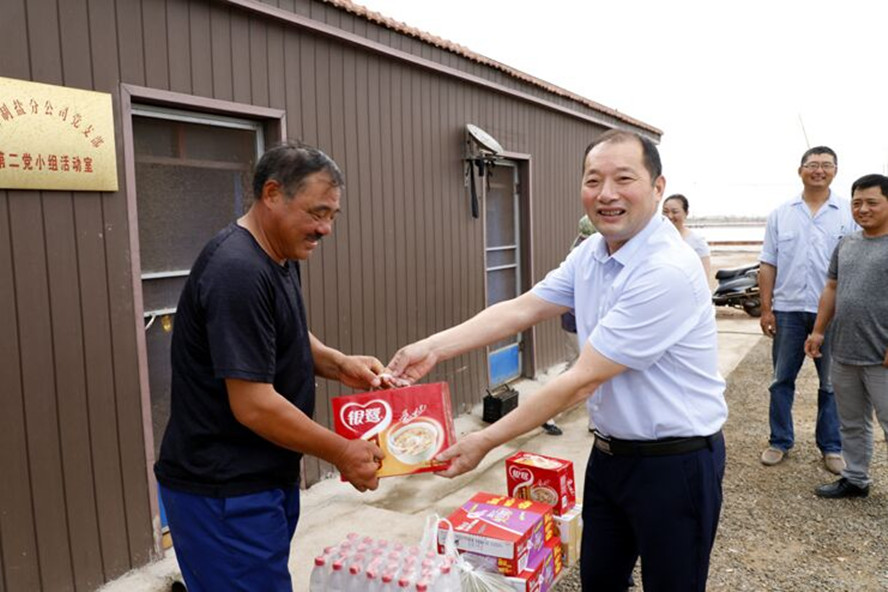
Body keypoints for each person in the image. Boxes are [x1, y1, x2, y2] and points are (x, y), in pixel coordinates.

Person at [387, 130, 727, 591]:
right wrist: (431, 348)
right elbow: (522, 309)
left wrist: (485, 440)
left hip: (675, 463)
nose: (606, 194)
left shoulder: (666, 269)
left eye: (623, 179)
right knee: (599, 580)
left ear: (657, 187)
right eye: (593, 180)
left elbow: (580, 381)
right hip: (609, 455)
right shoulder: (592, 253)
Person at [154, 142, 388, 592]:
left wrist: (338, 363)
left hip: (260, 480)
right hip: (223, 492)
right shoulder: (236, 270)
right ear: (272, 194)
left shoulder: (279, 254)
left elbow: (283, 332)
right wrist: (342, 451)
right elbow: (253, 405)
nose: (325, 229)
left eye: (333, 215)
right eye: (317, 213)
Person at [758, 146, 856, 474]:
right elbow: (768, 263)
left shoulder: (847, 214)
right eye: (812, 164)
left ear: (835, 171)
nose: (819, 170)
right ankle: (779, 441)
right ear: (800, 170)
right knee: (781, 380)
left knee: (831, 383)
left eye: (826, 165)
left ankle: (831, 447)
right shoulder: (781, 214)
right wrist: (766, 309)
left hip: (832, 313)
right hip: (787, 310)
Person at [804, 174, 888, 499]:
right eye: (856, 203)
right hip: (844, 351)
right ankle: (855, 479)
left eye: (872, 202)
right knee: (851, 422)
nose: (862, 209)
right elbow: (832, 288)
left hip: (881, 355)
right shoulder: (847, 243)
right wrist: (818, 331)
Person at [662, 193, 711, 278]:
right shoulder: (655, 238)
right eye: (665, 212)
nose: (669, 216)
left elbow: (704, 276)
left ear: (686, 213)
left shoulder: (697, 242)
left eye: (675, 212)